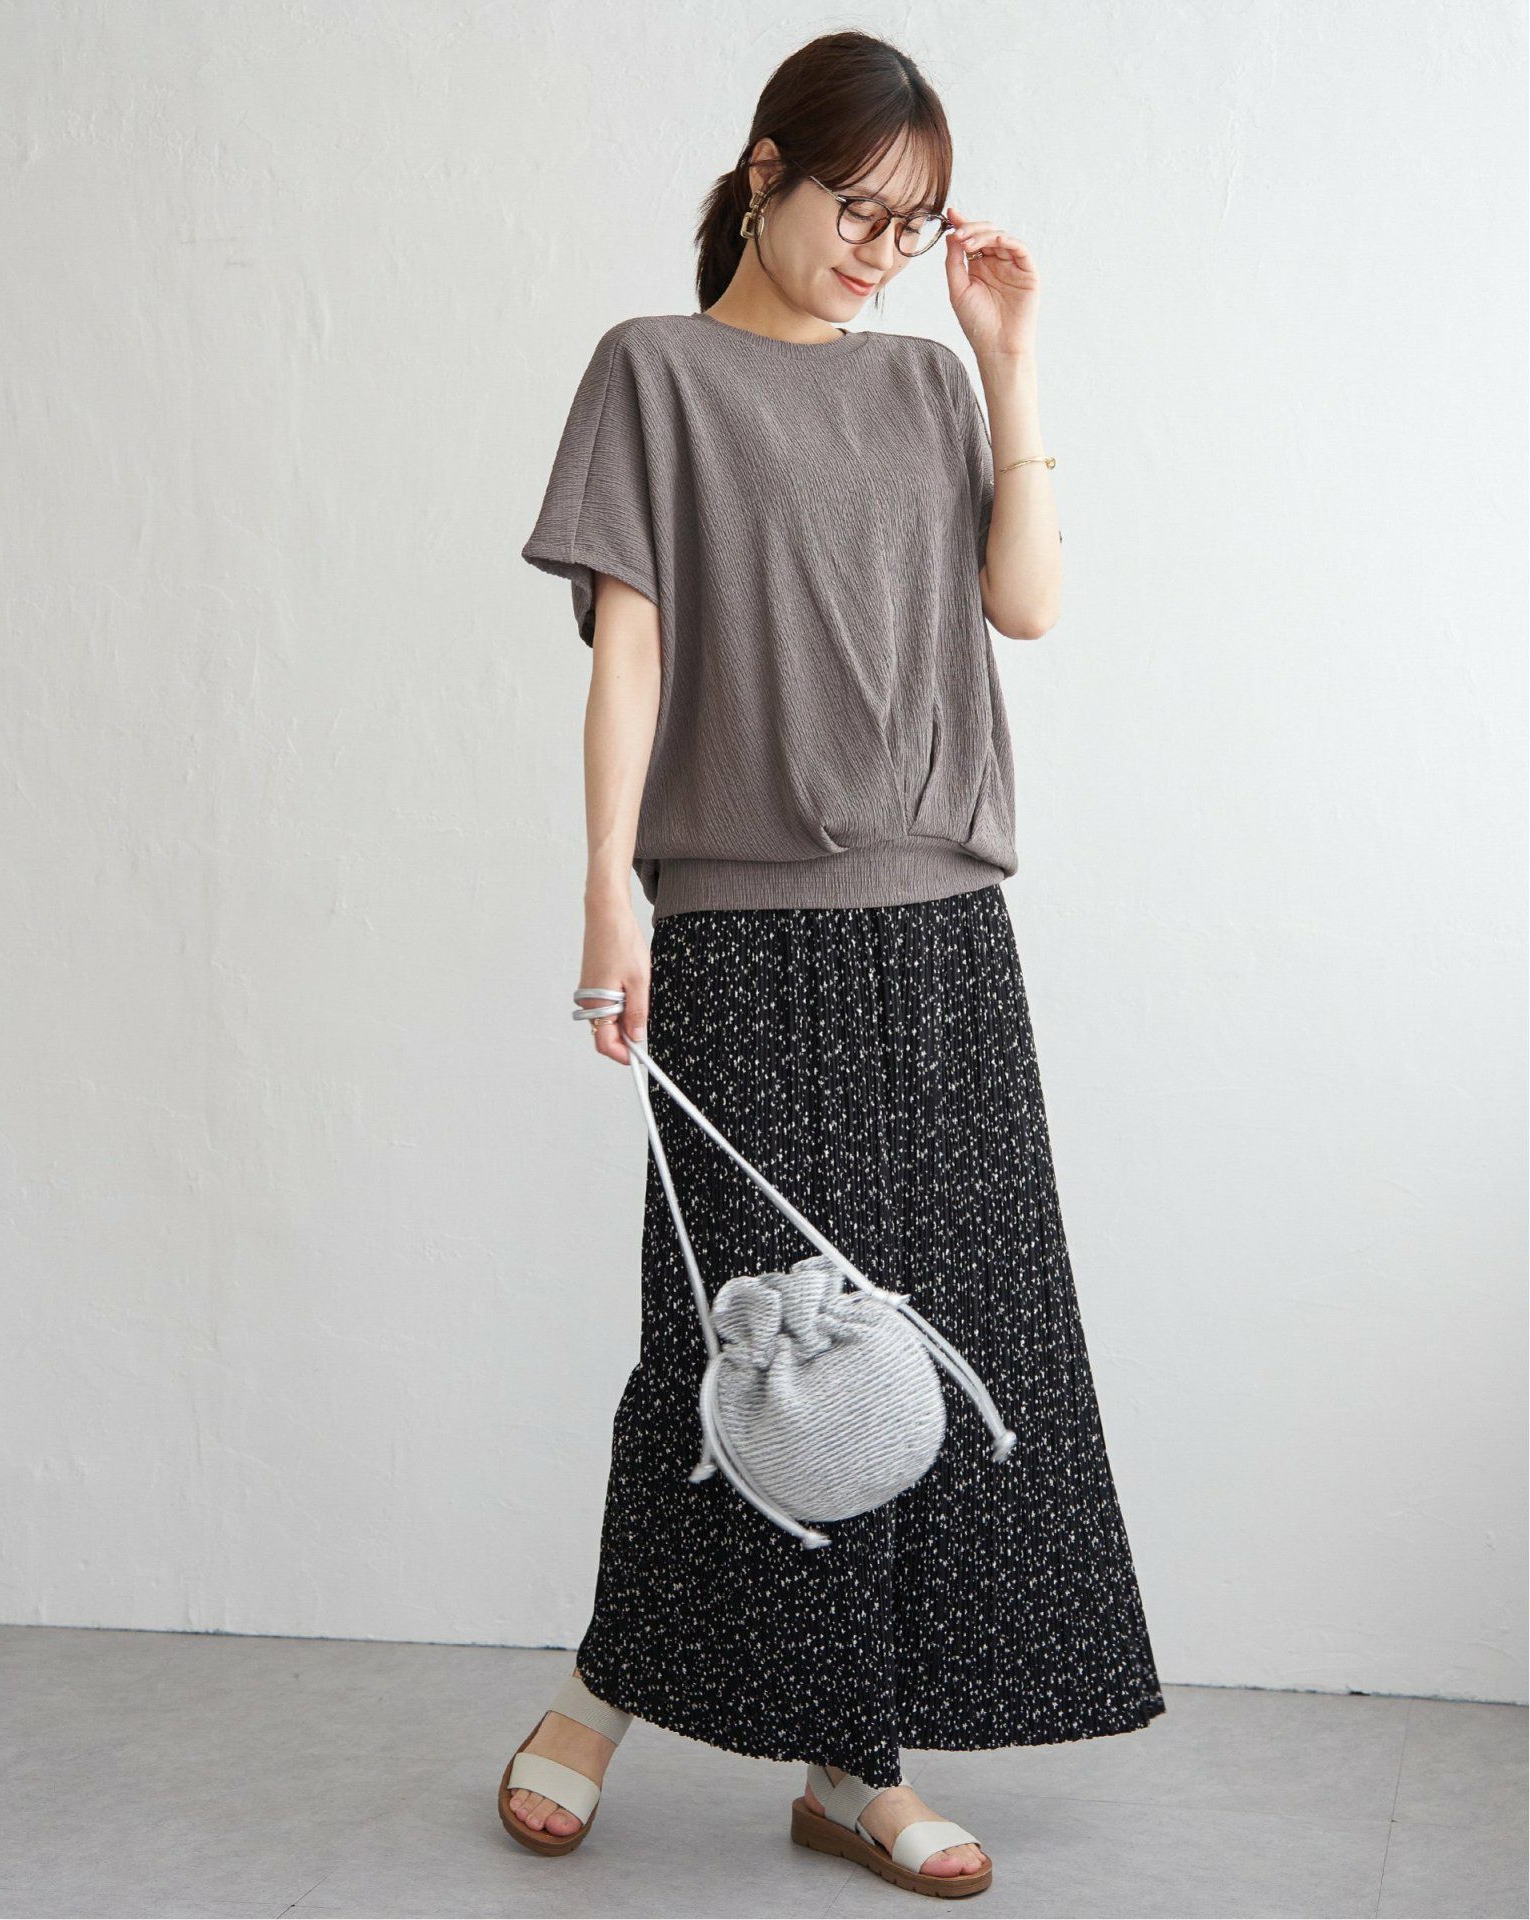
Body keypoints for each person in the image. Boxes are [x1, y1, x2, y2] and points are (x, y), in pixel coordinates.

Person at [502, 28, 1165, 1898]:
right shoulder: (655, 370)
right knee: (741, 1344)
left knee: (925, 1352)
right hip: (742, 927)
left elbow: (1025, 602)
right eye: (857, 211)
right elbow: (630, 652)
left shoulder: (925, 383)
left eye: (911, 223)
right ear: (766, 172)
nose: (880, 251)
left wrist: (1005, 357)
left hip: (941, 926)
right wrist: (605, 893)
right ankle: (600, 1702)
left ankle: (853, 1764)